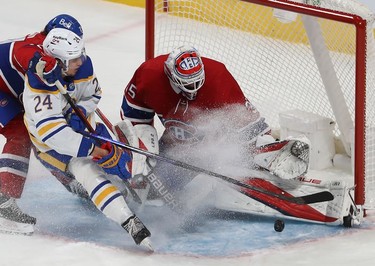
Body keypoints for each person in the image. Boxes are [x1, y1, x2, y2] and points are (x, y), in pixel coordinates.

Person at [115, 45, 310, 209]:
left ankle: (272, 158)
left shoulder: (218, 76)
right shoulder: (148, 75)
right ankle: (110, 184)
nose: (192, 92)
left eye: (197, 83)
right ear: (170, 76)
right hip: (177, 144)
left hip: (218, 143)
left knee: (246, 151)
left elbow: (249, 122)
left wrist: (263, 144)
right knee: (151, 190)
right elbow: (133, 118)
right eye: (185, 85)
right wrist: (143, 152)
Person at [22, 28, 152, 250]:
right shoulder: (39, 92)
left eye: (81, 54)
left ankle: (126, 182)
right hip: (53, 147)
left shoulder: (82, 66)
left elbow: (95, 93)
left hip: (85, 126)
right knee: (89, 173)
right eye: (74, 58)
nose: (81, 61)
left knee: (120, 163)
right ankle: (129, 221)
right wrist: (93, 150)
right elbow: (54, 136)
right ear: (61, 62)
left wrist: (79, 110)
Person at [0, 14, 85, 235]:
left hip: (10, 92)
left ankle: (70, 179)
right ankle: (3, 203)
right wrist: (45, 65)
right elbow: (30, 57)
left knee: (42, 133)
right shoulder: (34, 47)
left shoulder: (57, 51)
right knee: (21, 133)